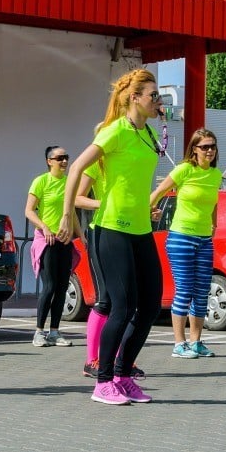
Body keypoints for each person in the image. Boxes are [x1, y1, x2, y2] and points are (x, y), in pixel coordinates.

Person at [57, 68, 162, 405]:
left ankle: (123, 374)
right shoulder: (113, 131)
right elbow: (75, 169)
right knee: (122, 305)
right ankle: (102, 382)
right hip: (110, 229)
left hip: (141, 230)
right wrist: (66, 215)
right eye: (153, 95)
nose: (158, 101)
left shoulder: (147, 134)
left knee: (149, 306)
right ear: (135, 98)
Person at [149, 129, 222, 359]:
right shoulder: (184, 170)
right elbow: (158, 192)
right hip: (181, 236)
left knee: (202, 293)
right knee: (185, 290)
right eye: (204, 147)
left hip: (204, 239)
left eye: (212, 146)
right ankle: (179, 344)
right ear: (194, 149)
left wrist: (214, 224)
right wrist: (148, 211)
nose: (209, 150)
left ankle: (196, 341)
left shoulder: (215, 174)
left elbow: (214, 202)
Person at [75, 156, 147, 379]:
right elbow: (78, 199)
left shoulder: (128, 164)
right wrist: (103, 203)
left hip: (125, 231)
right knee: (104, 300)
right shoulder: (97, 164)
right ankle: (91, 361)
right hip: (101, 231)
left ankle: (119, 359)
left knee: (124, 302)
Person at [26, 145, 81, 348]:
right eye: (60, 158)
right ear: (50, 161)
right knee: (49, 286)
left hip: (64, 241)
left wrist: (81, 236)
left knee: (61, 287)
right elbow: (29, 211)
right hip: (46, 240)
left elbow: (72, 213)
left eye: (66, 157)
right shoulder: (41, 181)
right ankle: (39, 332)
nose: (64, 161)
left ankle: (55, 331)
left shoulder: (69, 183)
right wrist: (45, 228)